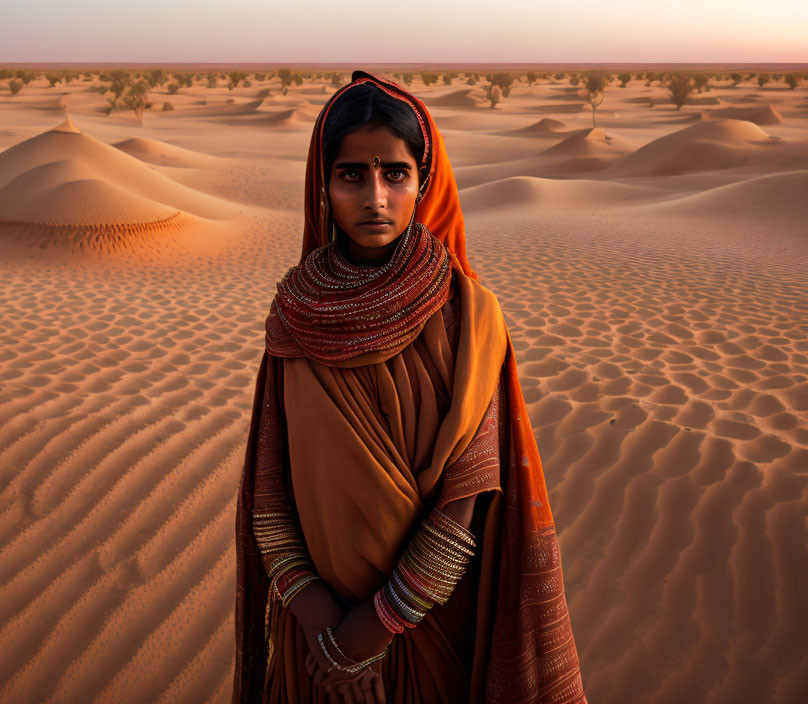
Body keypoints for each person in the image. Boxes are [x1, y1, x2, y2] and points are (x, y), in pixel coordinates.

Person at [233, 69, 587, 704]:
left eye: (394, 174)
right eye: (351, 175)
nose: (375, 196)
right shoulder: (295, 316)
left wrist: (372, 631)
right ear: (324, 184)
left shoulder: (470, 317)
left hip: (424, 632)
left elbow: (465, 499)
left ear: (423, 183)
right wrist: (324, 631)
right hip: (311, 641)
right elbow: (270, 495)